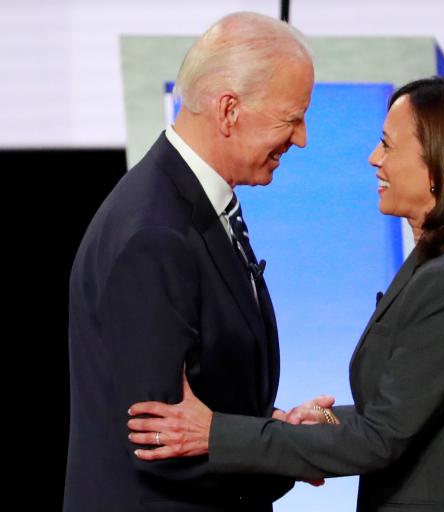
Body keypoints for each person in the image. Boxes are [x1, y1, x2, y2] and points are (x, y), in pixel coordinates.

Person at [128, 75, 444, 511]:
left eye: (389, 145)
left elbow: (381, 438)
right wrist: (320, 422)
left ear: (443, 165)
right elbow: (411, 410)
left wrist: (214, 434)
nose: (376, 158)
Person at [64, 12, 320, 512]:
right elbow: (160, 445)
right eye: (292, 118)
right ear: (229, 110)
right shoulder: (157, 234)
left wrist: (272, 430)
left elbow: (212, 401)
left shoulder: (194, 204)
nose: (302, 138)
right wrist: (286, 451)